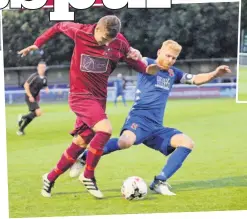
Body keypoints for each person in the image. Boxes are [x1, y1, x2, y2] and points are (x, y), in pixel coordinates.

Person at [69, 40, 232, 196]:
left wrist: (216, 73)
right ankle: (84, 158)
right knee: (125, 141)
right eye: (168, 55)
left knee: (187, 143)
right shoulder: (146, 63)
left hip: (156, 127)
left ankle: (160, 182)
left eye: (174, 58)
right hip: (138, 119)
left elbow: (195, 79)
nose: (170, 60)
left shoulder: (173, 73)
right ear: (159, 52)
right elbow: (136, 58)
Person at [18, 15, 156, 199]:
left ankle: (49, 178)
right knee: (105, 130)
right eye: (104, 38)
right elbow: (58, 26)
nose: (106, 43)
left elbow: (130, 60)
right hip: (80, 95)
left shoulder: (119, 42)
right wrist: (38, 43)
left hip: (99, 99)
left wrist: (146, 68)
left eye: (110, 40)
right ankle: (88, 175)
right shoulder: (80, 31)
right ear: (97, 29)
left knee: (81, 142)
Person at [17, 61, 49, 136]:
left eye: (43, 67)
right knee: (39, 112)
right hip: (29, 97)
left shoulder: (45, 78)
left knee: (33, 115)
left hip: (34, 97)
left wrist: (46, 88)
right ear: (37, 68)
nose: (42, 69)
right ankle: (22, 117)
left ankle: (20, 130)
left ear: (45, 68)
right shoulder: (34, 76)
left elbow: (44, 85)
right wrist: (30, 96)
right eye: (40, 67)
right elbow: (26, 85)